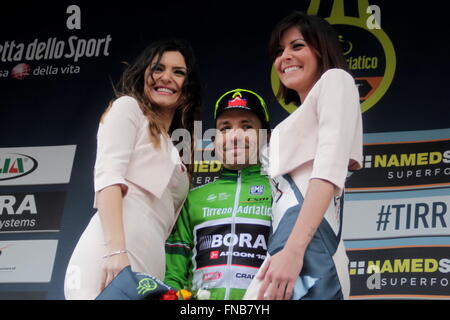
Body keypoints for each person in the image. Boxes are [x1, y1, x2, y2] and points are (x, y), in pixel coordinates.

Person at [64, 39, 202, 300]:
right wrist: (116, 253)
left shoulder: (175, 145)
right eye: (158, 68)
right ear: (144, 75)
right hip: (110, 258)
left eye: (179, 72)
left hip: (149, 266)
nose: (167, 77)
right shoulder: (128, 108)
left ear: (188, 87)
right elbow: (108, 178)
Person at [244, 11, 363, 300]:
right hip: (283, 248)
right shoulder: (290, 122)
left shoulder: (336, 81)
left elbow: (328, 170)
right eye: (279, 51)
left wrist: (295, 250)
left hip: (311, 249)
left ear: (322, 50)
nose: (284, 56)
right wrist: (285, 251)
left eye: (297, 46)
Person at [164, 89, 272, 300]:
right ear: (214, 139)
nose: (235, 136)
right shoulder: (193, 198)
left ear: (265, 136)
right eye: (225, 128)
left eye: (247, 126)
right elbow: (173, 273)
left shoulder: (280, 194)